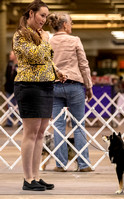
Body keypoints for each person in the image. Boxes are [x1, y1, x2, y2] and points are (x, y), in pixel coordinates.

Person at [12, 0, 66, 191]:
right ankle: (27, 179)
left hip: (45, 86)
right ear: (31, 14)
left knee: (41, 133)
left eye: (45, 16)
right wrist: (45, 41)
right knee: (31, 133)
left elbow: (46, 60)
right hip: (29, 86)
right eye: (42, 15)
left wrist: (56, 71)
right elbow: (34, 56)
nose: (45, 19)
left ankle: (36, 176)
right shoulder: (20, 35)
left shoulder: (39, 34)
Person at [47, 13, 93, 172]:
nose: (71, 26)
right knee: (79, 125)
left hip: (54, 86)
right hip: (75, 86)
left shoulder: (48, 41)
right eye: (71, 23)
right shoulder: (75, 40)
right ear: (65, 25)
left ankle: (60, 165)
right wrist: (89, 86)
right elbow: (84, 65)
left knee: (58, 126)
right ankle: (84, 164)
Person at [4, 51, 18, 127]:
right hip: (9, 88)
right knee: (10, 106)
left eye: (11, 54)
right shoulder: (9, 64)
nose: (9, 56)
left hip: (17, 88)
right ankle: (9, 122)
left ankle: (20, 123)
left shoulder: (19, 65)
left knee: (18, 106)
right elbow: (6, 75)